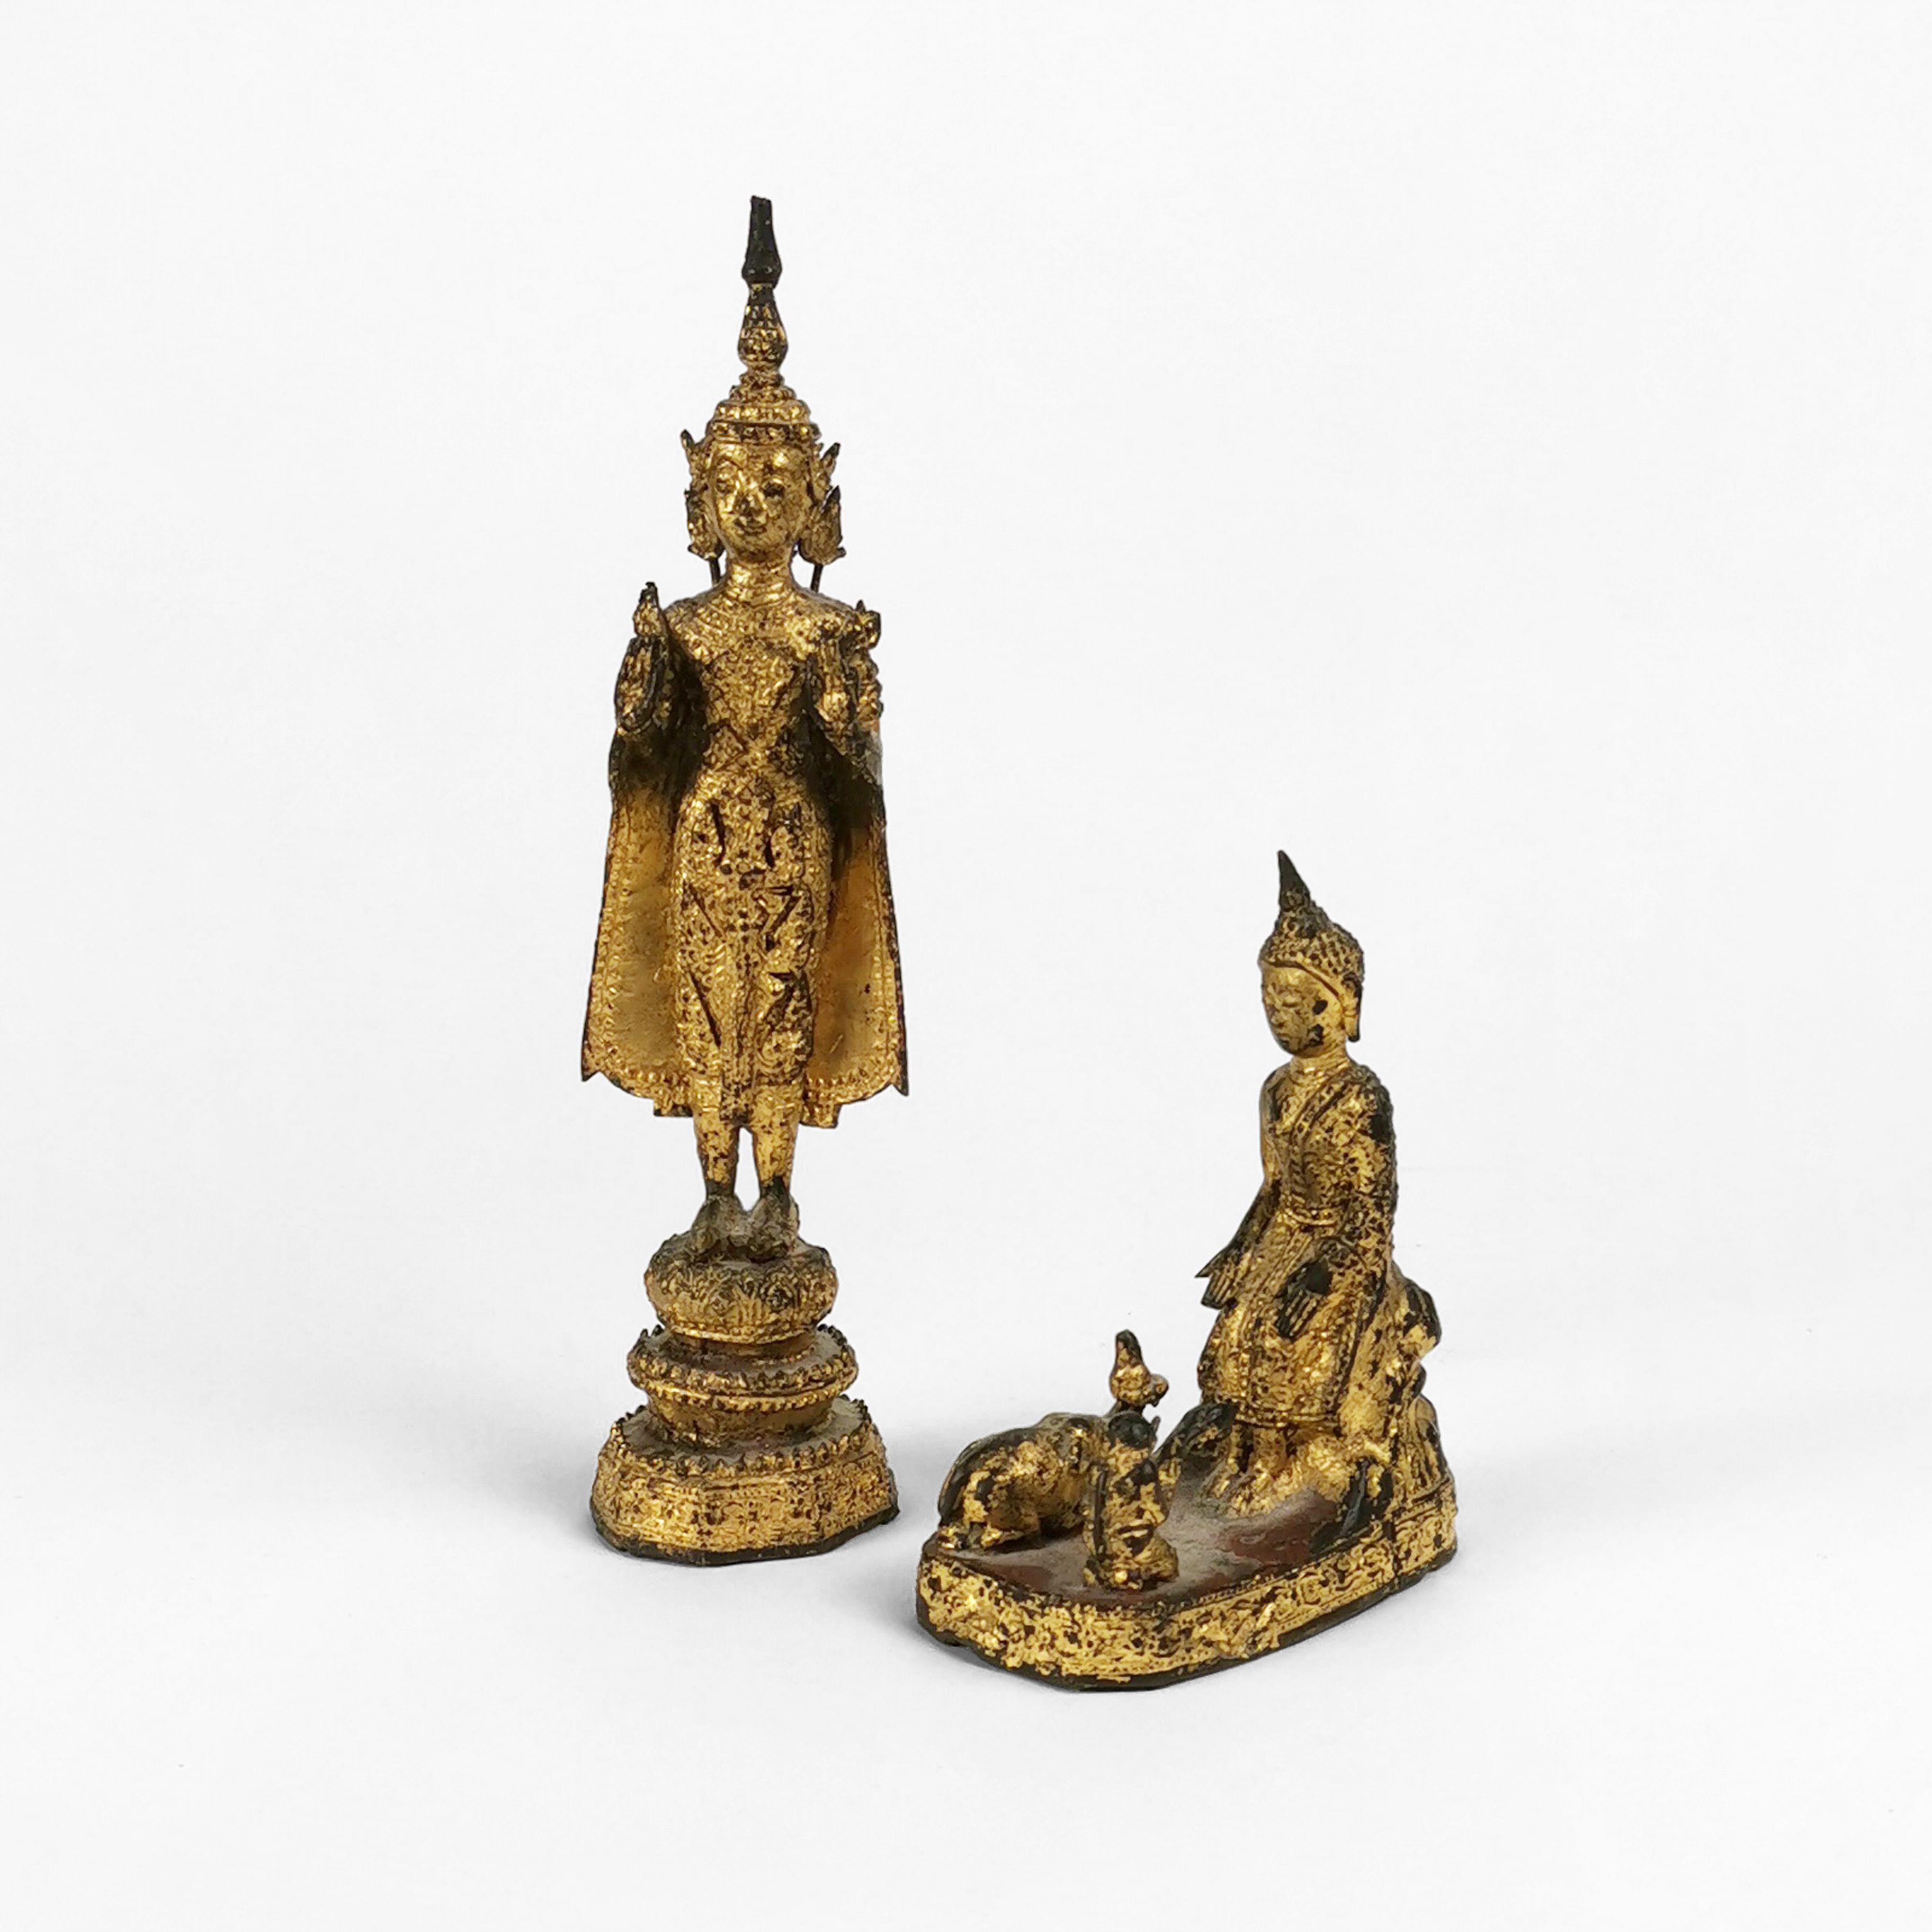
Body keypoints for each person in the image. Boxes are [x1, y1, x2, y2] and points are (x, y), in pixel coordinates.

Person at [582, 201, 905, 1259]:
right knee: (706, 1012)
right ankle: (715, 1189)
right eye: (732, 483)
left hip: (794, 850)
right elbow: (642, 753)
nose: (754, 502)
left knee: (779, 1009)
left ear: (817, 499)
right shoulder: (686, 626)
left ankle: (777, 1191)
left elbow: (858, 765)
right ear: (701, 500)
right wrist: (641, 685)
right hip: (704, 850)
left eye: (777, 483)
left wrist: (848, 704)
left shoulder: (828, 628)